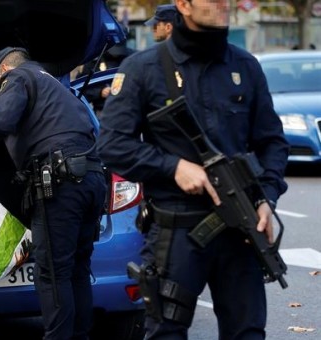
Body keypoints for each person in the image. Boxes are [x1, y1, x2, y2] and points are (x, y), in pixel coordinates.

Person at [97, 0, 289, 339]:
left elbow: (272, 143)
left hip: (240, 231)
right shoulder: (144, 68)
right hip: (176, 231)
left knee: (247, 333)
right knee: (166, 333)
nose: (223, 4)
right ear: (183, 4)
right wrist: (173, 167)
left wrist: (266, 198)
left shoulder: (245, 67)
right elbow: (112, 146)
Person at [0, 47, 106, 339]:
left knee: (52, 272)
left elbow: (0, 120)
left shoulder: (18, 78)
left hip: (61, 184)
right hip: (92, 179)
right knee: (76, 268)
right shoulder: (56, 87)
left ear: (3, 72)